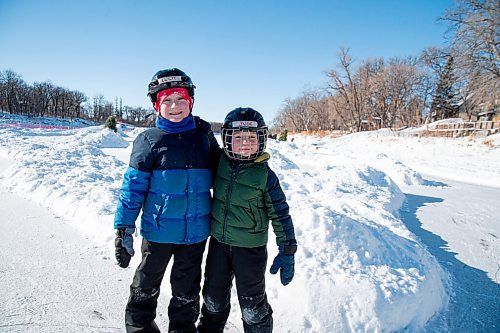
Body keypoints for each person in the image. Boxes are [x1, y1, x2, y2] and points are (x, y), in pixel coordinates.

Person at [113, 68, 220, 333]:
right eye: (167, 101)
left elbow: (223, 176)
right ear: (156, 105)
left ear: (191, 102)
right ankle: (139, 327)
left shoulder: (204, 138)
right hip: (158, 232)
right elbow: (132, 190)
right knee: (145, 286)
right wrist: (124, 228)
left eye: (181, 99)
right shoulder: (148, 141)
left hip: (195, 235)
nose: (175, 106)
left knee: (187, 290)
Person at [197, 107, 297, 333]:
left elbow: (280, 213)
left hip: (250, 250)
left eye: (251, 138)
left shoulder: (265, 175)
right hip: (219, 245)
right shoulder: (219, 161)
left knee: (253, 306)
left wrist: (287, 248)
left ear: (261, 140)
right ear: (227, 140)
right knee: (213, 298)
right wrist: (200, 130)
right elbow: (204, 148)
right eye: (238, 137)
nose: (244, 143)